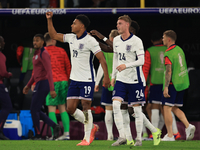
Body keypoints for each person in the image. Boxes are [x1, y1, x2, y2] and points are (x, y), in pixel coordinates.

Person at [46, 12, 110, 146]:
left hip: (87, 78)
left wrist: (106, 77)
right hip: (74, 79)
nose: (71, 25)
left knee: (86, 106)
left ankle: (87, 138)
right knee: (70, 109)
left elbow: (102, 59)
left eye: (74, 23)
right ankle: (91, 126)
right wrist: (50, 19)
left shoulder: (90, 41)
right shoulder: (71, 38)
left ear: (82, 26)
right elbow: (53, 35)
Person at [111, 15, 161, 146]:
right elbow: (115, 58)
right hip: (121, 80)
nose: (117, 26)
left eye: (120, 23)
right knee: (117, 106)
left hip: (135, 80)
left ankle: (139, 138)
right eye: (117, 23)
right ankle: (123, 136)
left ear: (127, 25)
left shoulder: (137, 41)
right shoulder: (116, 40)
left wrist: (126, 65)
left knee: (136, 111)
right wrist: (113, 75)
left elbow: (141, 61)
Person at [91, 29, 134, 145]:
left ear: (110, 39)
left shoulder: (105, 51)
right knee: (123, 110)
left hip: (107, 82)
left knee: (108, 110)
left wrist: (96, 83)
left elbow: (101, 67)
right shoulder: (122, 50)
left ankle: (110, 135)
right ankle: (125, 135)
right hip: (120, 83)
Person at [142, 31, 181, 139]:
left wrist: (143, 84)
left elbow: (146, 68)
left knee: (155, 107)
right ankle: (175, 131)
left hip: (155, 82)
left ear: (151, 41)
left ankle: (155, 133)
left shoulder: (149, 51)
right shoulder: (169, 49)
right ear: (160, 39)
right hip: (169, 82)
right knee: (168, 108)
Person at [23, 34, 61, 140]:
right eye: (34, 40)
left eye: (37, 40)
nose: (35, 42)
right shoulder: (36, 54)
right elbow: (35, 73)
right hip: (39, 83)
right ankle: (54, 126)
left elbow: (49, 72)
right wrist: (28, 85)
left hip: (43, 83)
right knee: (35, 110)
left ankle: (38, 135)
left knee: (34, 110)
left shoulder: (44, 53)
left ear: (42, 42)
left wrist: (52, 89)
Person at [161, 30, 196, 141]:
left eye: (163, 37)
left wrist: (166, 87)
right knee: (174, 107)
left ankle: (170, 135)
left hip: (173, 84)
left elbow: (168, 71)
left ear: (169, 39)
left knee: (166, 108)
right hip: (182, 82)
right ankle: (188, 126)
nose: (162, 39)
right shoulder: (179, 50)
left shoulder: (168, 53)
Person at [43, 32, 71, 140]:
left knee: (51, 109)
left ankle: (55, 135)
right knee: (62, 108)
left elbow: (39, 69)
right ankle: (67, 134)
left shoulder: (43, 52)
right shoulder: (62, 51)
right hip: (63, 81)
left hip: (50, 82)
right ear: (54, 39)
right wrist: (69, 81)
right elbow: (68, 67)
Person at [0, 36, 13, 140]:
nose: (4, 43)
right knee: (7, 106)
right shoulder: (1, 56)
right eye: (3, 42)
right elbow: (3, 72)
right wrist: (9, 74)